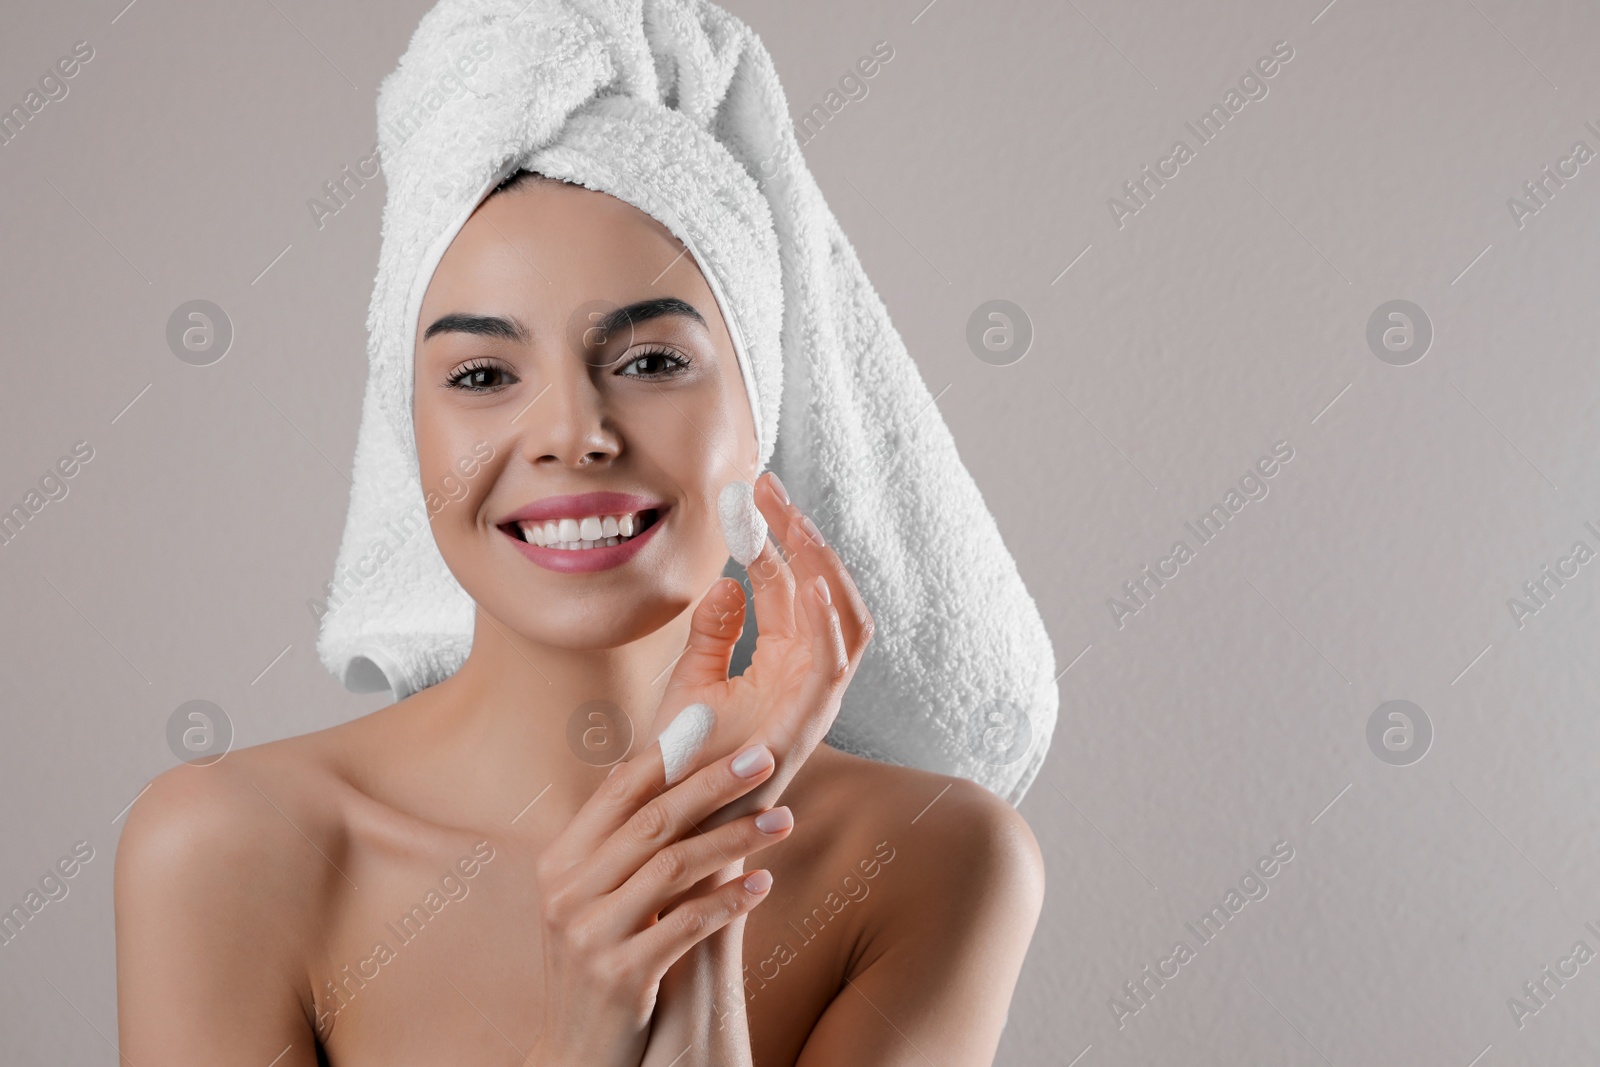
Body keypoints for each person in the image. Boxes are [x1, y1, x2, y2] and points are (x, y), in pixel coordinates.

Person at [113, 166, 1045, 1065]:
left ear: (758, 410)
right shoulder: (225, 851)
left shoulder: (942, 862)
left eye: (650, 361)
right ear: (412, 429)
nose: (574, 432)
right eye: (481, 375)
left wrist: (696, 894)